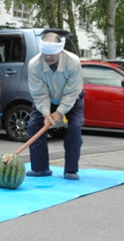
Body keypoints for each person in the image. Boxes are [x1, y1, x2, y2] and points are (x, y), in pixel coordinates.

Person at [26, 32, 84, 180]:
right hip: (47, 99)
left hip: (72, 99)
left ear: (60, 50)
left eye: (52, 54)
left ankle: (70, 170)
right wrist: (46, 114)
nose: (48, 57)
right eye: (45, 53)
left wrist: (58, 114)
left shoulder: (73, 61)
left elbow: (71, 93)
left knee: (75, 128)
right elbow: (39, 94)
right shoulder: (34, 64)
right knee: (34, 125)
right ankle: (40, 168)